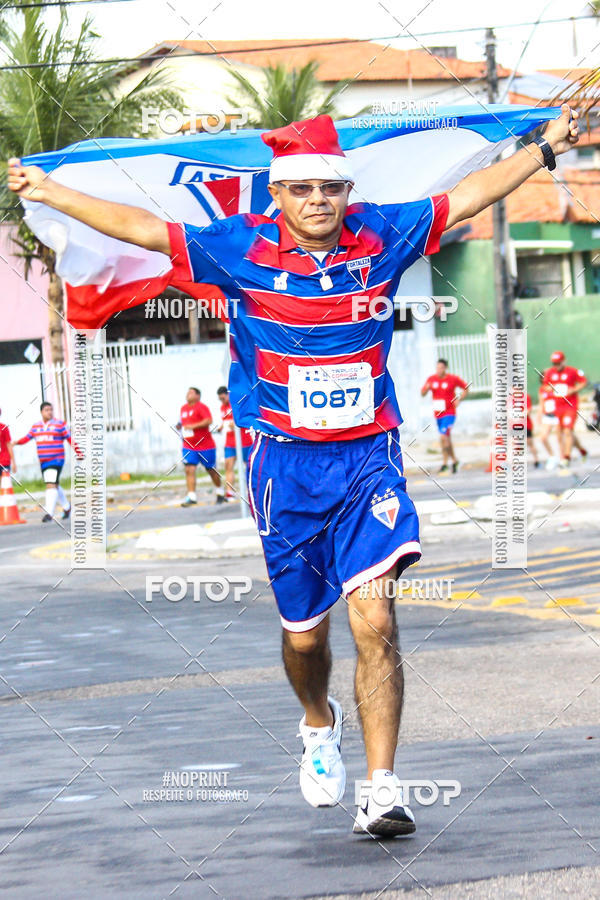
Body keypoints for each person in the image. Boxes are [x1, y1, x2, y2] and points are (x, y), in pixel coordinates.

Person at [8, 104, 579, 837]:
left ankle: (382, 788)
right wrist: (50, 193)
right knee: (306, 636)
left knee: (375, 614)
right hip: (283, 466)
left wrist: (545, 150)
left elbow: (467, 196)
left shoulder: (383, 234)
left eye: (330, 189)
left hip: (370, 457)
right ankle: (317, 721)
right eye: (301, 189)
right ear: (277, 195)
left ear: (347, 193)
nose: (317, 201)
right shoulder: (234, 247)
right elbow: (146, 230)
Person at [15, 402, 73, 522]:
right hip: (44, 461)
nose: (49, 412)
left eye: (51, 410)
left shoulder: (59, 424)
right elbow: (27, 438)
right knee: (54, 484)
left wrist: (79, 452)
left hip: (57, 459)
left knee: (50, 483)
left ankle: (49, 514)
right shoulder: (36, 426)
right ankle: (67, 507)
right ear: (41, 412)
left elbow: (69, 438)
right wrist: (15, 443)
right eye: (47, 410)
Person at [176, 387, 224, 506]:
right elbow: (181, 422)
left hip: (205, 446)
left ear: (198, 396)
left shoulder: (202, 407)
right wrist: (179, 426)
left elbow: (208, 420)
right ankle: (191, 496)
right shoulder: (183, 408)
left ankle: (220, 491)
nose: (188, 394)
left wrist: (193, 426)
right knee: (189, 469)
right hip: (188, 445)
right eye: (187, 392)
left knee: (211, 470)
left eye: (191, 392)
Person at [420, 359, 468, 473]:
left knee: (443, 437)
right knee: (446, 438)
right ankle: (455, 461)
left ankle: (445, 464)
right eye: (437, 368)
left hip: (450, 413)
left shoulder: (452, 379)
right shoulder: (432, 379)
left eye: (441, 368)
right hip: (438, 413)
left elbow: (466, 388)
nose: (439, 370)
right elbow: (422, 393)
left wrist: (459, 399)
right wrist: (426, 388)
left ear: (445, 368)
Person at [541, 351, 587, 467]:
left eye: (558, 363)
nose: (556, 366)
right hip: (558, 406)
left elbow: (583, 382)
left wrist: (574, 389)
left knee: (567, 430)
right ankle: (582, 450)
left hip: (570, 405)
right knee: (564, 432)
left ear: (564, 361)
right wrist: (552, 388)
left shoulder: (572, 371)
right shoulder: (550, 373)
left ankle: (566, 458)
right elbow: (545, 386)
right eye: (554, 363)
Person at [217, 385, 253, 500]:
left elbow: (246, 418)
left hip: (243, 441)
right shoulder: (223, 407)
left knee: (248, 466)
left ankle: (250, 489)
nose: (222, 401)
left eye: (223, 398)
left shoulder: (238, 403)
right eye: (220, 399)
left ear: (228, 395)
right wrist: (222, 427)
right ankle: (229, 492)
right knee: (228, 465)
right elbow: (224, 421)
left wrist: (235, 423)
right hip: (230, 441)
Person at [0, 410, 16, 475]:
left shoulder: (4, 428)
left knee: (5, 484)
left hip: (4, 461)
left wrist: (13, 462)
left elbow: (9, 445)